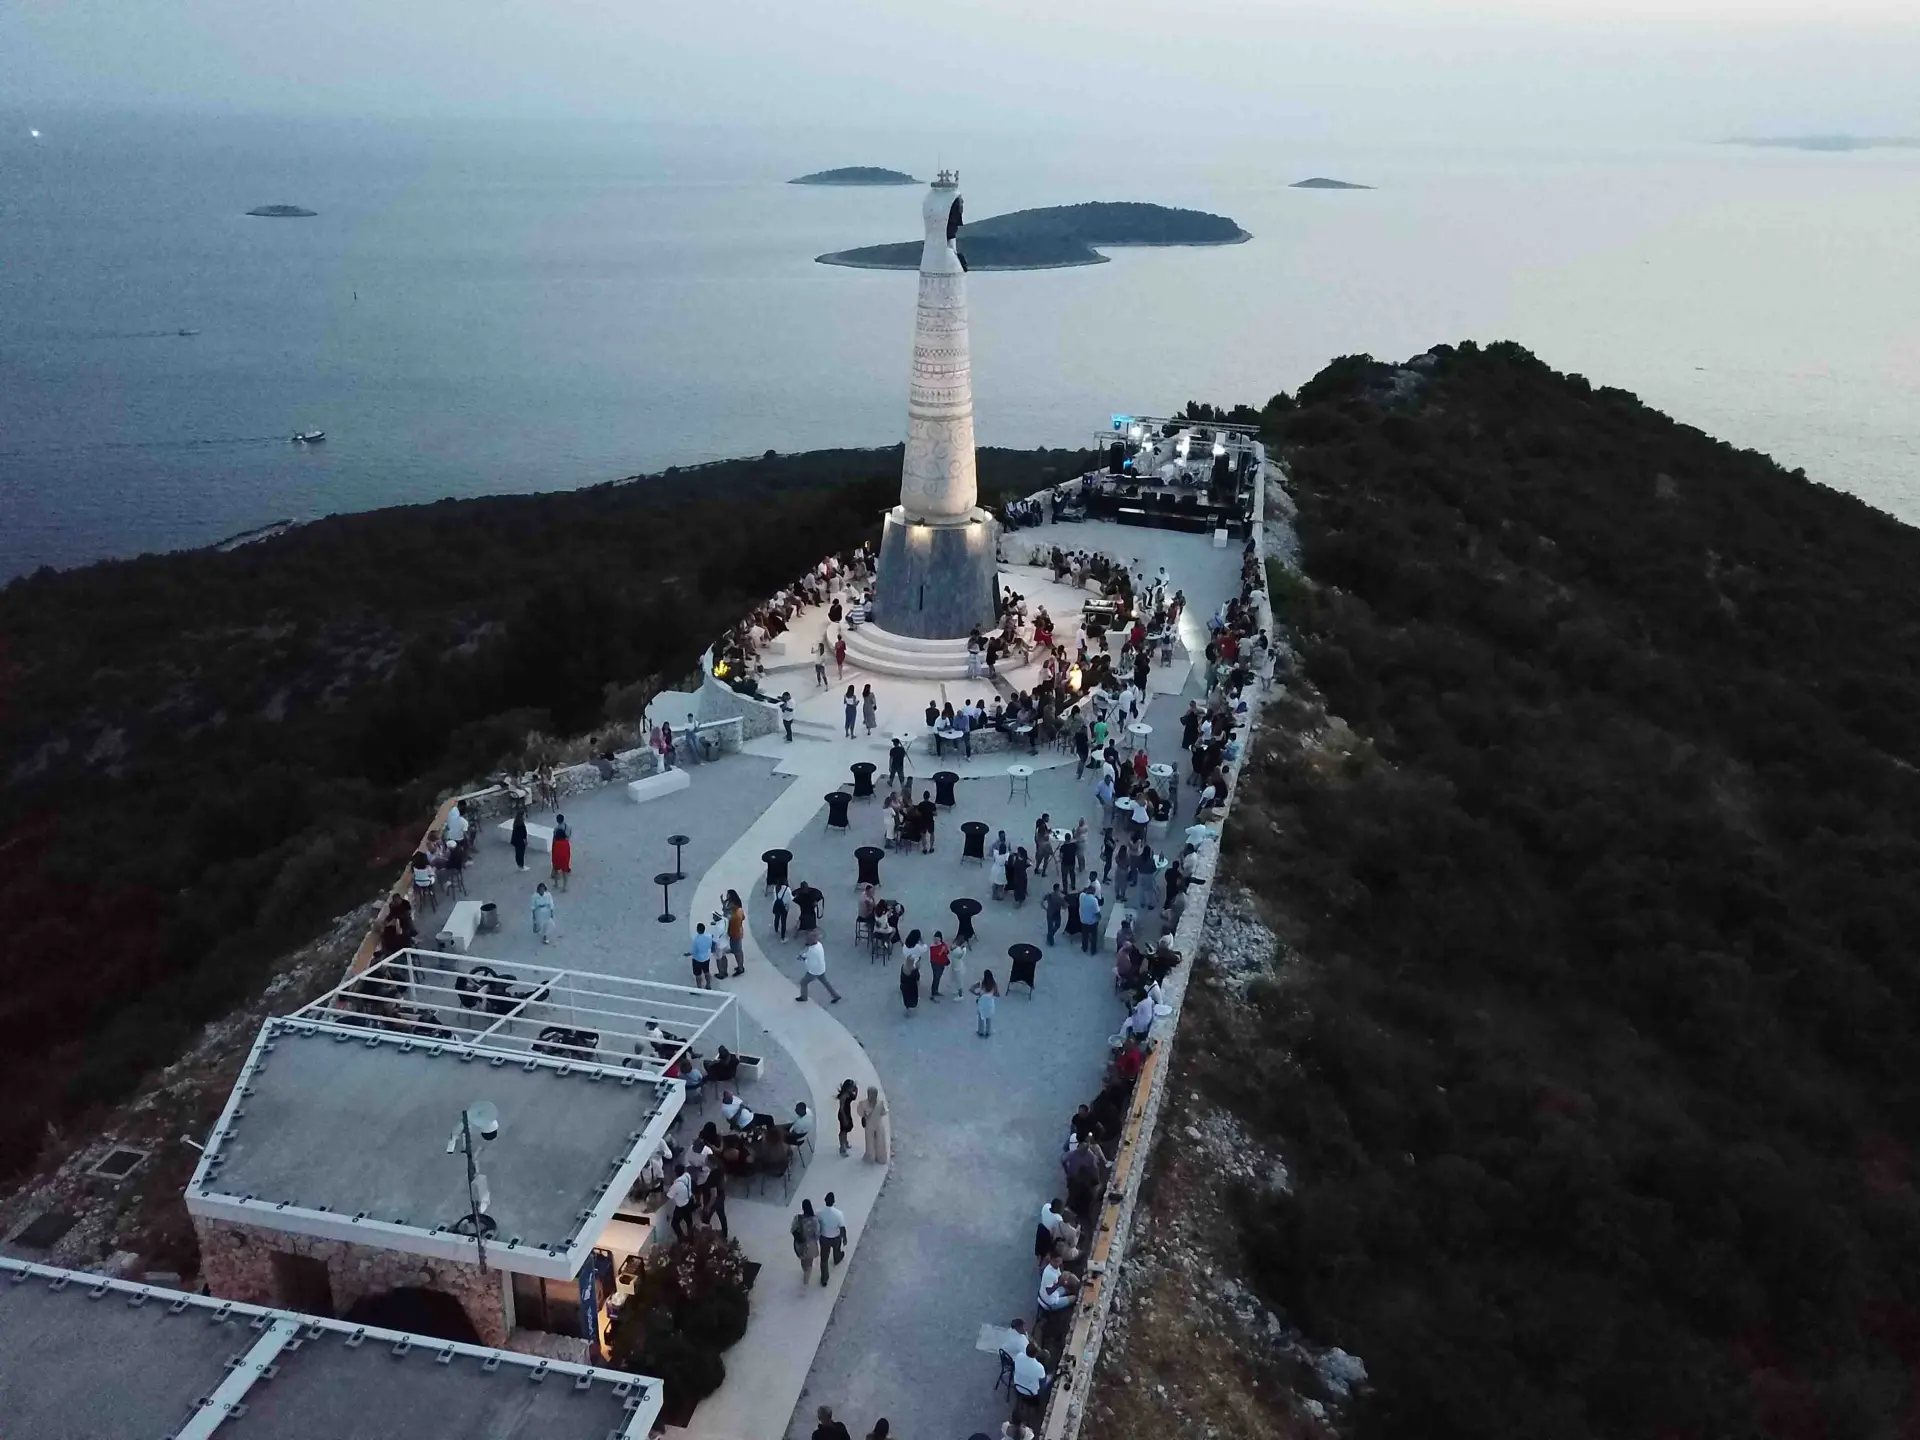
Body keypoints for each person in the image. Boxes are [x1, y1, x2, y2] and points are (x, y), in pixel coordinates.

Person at [798, 938, 843, 1004]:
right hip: (821, 968)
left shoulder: (812, 950)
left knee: (803, 983)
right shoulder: (819, 945)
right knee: (826, 983)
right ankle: (836, 995)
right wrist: (803, 956)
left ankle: (804, 997)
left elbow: (811, 964)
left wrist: (804, 960)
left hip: (814, 972)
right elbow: (809, 955)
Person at [817, 1191, 847, 1287]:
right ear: (834, 1201)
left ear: (825, 1200)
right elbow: (842, 1227)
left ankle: (824, 1279)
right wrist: (844, 1238)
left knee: (824, 1259)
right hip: (836, 1237)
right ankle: (837, 1258)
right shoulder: (839, 1214)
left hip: (824, 1238)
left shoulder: (819, 1213)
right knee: (837, 1250)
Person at [858, 1085, 890, 1163]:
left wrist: (865, 1114)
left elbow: (860, 1113)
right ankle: (881, 1158)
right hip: (879, 1125)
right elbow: (883, 1112)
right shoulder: (880, 1103)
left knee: (870, 1143)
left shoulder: (863, 1104)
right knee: (880, 1142)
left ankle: (870, 1157)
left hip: (869, 1126)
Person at [793, 1201, 822, 1285]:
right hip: (810, 1245)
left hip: (800, 1245)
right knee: (809, 1261)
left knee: (803, 1260)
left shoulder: (797, 1218)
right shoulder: (815, 1220)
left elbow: (793, 1230)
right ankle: (806, 1277)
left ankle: (805, 1270)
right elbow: (817, 1234)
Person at [667, 1164, 695, 1239]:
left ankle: (681, 1239)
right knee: (689, 1222)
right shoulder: (687, 1175)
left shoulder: (676, 1185)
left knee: (674, 1224)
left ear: (675, 1173)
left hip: (681, 1206)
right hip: (689, 1201)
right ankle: (691, 1239)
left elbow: (669, 1195)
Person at [794, 881, 824, 945]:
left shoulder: (800, 896)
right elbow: (819, 895)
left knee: (806, 925)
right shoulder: (812, 895)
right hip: (808, 913)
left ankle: (810, 935)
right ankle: (813, 936)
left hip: (805, 913)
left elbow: (794, 896)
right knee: (811, 927)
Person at [725, 891, 746, 977]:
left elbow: (729, 920)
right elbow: (743, 917)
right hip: (739, 932)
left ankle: (740, 968)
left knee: (736, 951)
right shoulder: (739, 910)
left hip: (735, 934)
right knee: (739, 950)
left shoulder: (734, 915)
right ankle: (741, 966)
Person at [972, 970, 999, 1037]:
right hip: (989, 1003)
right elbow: (997, 994)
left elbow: (971, 988)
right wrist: (991, 994)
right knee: (988, 1018)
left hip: (982, 1002)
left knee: (981, 1017)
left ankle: (980, 1032)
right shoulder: (993, 984)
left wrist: (977, 994)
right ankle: (988, 1032)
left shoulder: (981, 982)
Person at [688, 921, 715, 989]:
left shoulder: (696, 939)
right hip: (706, 958)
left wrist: (688, 953)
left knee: (698, 974)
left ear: (697, 930)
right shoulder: (709, 936)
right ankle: (708, 985)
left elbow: (694, 951)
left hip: (697, 959)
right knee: (707, 972)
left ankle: (699, 987)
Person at [836, 1078, 859, 1157]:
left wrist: (856, 1090)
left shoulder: (848, 1094)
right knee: (843, 1130)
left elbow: (854, 1098)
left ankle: (845, 1142)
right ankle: (842, 1147)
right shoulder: (843, 1096)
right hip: (843, 1114)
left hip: (847, 1113)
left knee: (847, 1128)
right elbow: (841, 1109)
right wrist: (844, 1118)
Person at [1078, 884, 1102, 954]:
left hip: (1083, 920)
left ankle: (1084, 948)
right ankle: (1093, 950)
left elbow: (1082, 891)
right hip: (1092, 922)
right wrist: (1099, 918)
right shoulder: (1094, 900)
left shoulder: (1081, 896)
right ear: (1094, 892)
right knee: (1094, 936)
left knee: (1084, 935)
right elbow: (1097, 912)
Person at [550, 814, 572, 890]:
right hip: (565, 852)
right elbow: (568, 853)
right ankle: (564, 886)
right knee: (564, 872)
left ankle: (556, 884)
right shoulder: (568, 827)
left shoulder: (556, 829)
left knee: (556, 869)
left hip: (557, 857)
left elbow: (554, 853)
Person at [928, 930, 951, 1000]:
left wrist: (945, 950)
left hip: (942, 963)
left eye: (937, 939)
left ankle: (936, 990)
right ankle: (933, 991)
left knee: (938, 977)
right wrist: (942, 951)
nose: (936, 940)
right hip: (935, 964)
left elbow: (947, 952)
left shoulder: (943, 944)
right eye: (935, 939)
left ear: (940, 939)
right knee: (936, 977)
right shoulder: (932, 947)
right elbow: (936, 956)